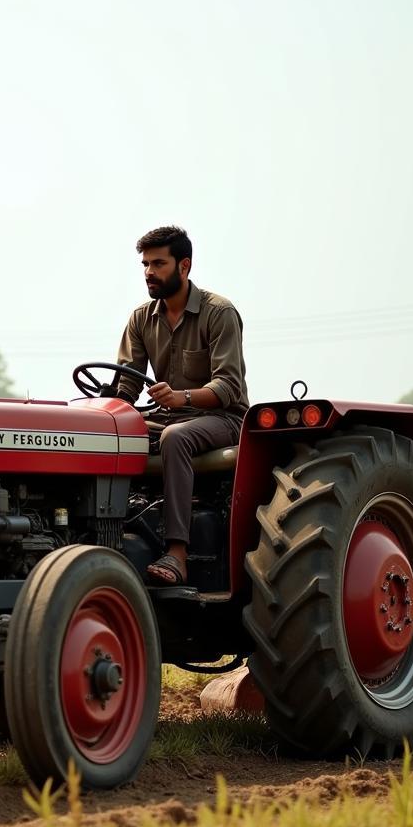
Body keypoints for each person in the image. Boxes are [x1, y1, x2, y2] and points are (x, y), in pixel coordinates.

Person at [115, 226, 249, 586]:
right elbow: (126, 386)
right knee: (110, 436)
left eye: (158, 263)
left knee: (175, 437)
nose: (148, 272)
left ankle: (177, 553)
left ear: (184, 266)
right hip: (167, 416)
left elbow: (228, 386)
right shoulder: (141, 319)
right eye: (145, 264)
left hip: (222, 417)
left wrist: (181, 397)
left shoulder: (218, 313)